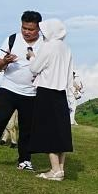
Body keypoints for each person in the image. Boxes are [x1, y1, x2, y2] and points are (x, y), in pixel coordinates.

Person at [0, 11, 43, 170]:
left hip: (31, 92)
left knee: (27, 127)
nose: (26, 32)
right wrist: (5, 61)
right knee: (0, 119)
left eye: (31, 29)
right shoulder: (11, 39)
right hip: (9, 87)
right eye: (24, 28)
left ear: (39, 28)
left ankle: (25, 160)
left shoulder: (45, 44)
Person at [28, 19, 75, 181]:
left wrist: (32, 57)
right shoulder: (66, 48)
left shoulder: (48, 47)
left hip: (47, 91)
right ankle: (60, 169)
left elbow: (34, 68)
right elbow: (70, 75)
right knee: (61, 132)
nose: (42, 33)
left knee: (49, 131)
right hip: (61, 93)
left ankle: (54, 170)